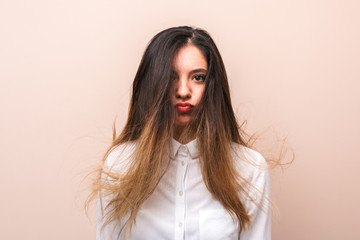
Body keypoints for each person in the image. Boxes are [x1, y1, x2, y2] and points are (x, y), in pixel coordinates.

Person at [93, 26, 271, 240]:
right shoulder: (119, 164)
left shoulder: (250, 168)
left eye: (198, 78)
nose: (183, 91)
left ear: (212, 85)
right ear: (152, 84)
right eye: (170, 78)